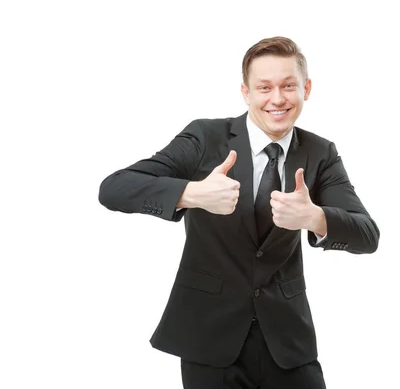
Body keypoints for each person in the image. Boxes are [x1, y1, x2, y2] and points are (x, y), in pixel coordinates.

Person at [98, 36, 380, 389]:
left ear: (306, 89)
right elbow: (114, 188)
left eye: (288, 86)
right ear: (245, 92)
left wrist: (314, 218)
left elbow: (368, 236)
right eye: (264, 87)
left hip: (288, 343)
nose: (277, 99)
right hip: (210, 340)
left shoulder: (320, 153)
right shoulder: (205, 138)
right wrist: (192, 193)